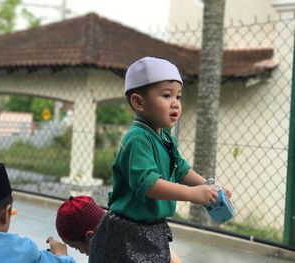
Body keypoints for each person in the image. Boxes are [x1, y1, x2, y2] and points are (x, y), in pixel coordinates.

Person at [88, 57, 232, 263]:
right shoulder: (137, 139)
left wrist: (209, 185)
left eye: (178, 97)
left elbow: (180, 169)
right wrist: (192, 194)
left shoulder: (165, 137)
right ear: (138, 102)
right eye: (166, 95)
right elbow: (149, 185)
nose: (175, 103)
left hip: (151, 227)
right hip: (127, 232)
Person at [55, 195, 181, 263]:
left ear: (89, 235)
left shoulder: (103, 255)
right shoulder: (128, 228)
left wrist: (61, 258)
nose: (80, 252)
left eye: (76, 247)